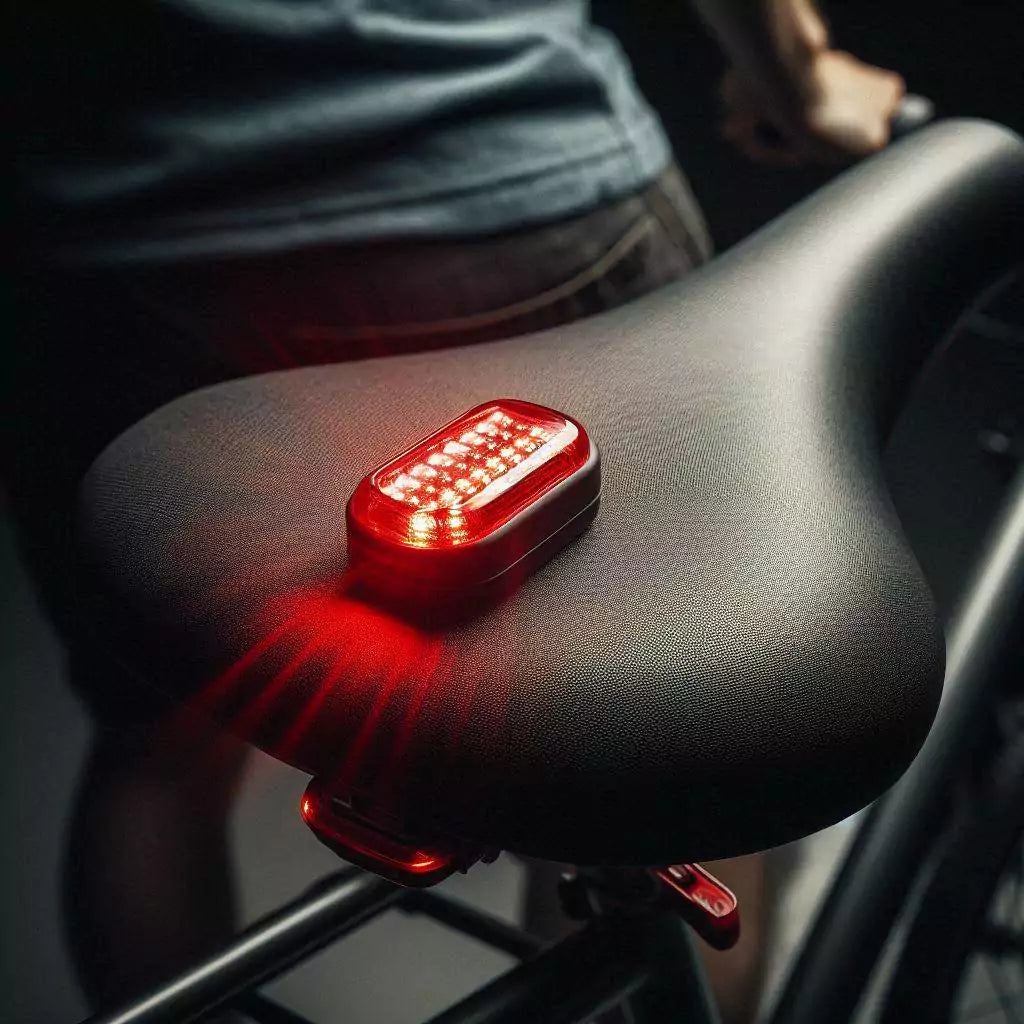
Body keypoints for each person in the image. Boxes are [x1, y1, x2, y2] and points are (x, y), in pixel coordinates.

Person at [7, 1, 904, 1018]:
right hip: (486, 170)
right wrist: (799, 76)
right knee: (663, 768)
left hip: (108, 244)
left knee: (157, 746)